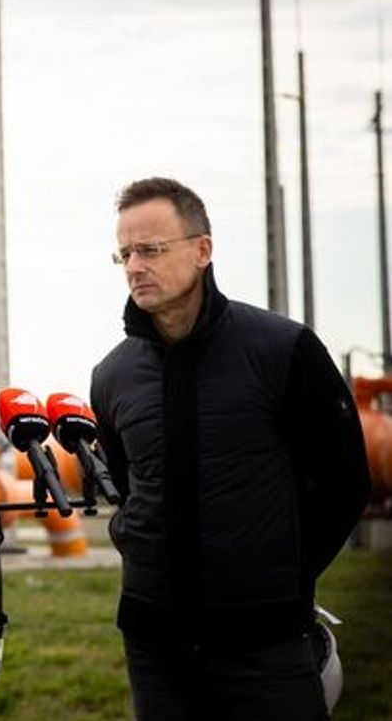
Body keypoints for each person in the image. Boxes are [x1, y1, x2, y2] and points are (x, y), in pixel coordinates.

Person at [90, 177, 371, 720]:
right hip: (155, 643)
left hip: (267, 641)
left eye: (151, 249)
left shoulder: (284, 349)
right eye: (125, 254)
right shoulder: (112, 375)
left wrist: (285, 575)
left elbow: (345, 480)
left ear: (202, 250)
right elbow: (127, 487)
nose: (134, 267)